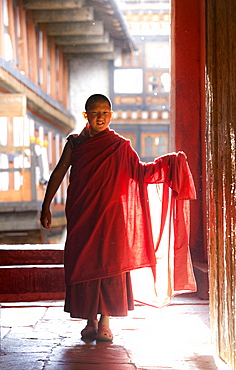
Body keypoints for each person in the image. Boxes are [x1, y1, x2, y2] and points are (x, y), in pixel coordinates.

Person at [40, 94, 196, 342]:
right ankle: (89, 320)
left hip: (112, 215)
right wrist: (46, 205)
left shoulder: (120, 146)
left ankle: (105, 321)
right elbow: (59, 172)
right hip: (82, 213)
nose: (100, 117)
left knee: (110, 265)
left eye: (104, 112)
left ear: (111, 116)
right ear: (86, 116)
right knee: (83, 263)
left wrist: (170, 164)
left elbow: (140, 172)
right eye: (94, 112)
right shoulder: (75, 144)